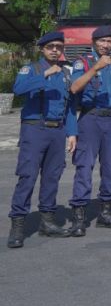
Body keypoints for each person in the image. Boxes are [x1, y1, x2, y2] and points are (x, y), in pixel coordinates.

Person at [8, 32, 73, 248]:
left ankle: (47, 221)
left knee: (52, 177)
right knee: (27, 176)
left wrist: (72, 133)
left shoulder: (65, 74)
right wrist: (45, 75)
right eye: (51, 46)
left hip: (57, 131)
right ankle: (17, 225)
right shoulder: (32, 69)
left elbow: (69, 106)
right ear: (42, 49)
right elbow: (18, 89)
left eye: (59, 47)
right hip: (35, 129)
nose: (55, 50)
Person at [66, 25, 111, 234]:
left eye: (110, 41)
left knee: (110, 166)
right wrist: (96, 68)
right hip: (90, 118)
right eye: (102, 41)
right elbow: (74, 88)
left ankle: (106, 212)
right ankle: (79, 216)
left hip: (110, 119)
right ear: (94, 42)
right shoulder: (82, 62)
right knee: (85, 166)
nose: (106, 45)